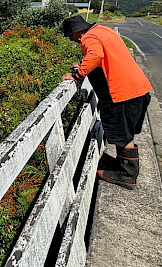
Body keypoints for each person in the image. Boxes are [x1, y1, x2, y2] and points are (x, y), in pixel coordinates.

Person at [61, 15, 152, 189]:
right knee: (126, 132)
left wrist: (77, 75)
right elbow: (106, 58)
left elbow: (95, 55)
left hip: (120, 94)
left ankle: (127, 175)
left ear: (77, 32)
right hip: (138, 87)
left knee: (122, 134)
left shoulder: (88, 37)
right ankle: (121, 166)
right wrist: (82, 64)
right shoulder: (104, 30)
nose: (74, 41)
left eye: (72, 37)